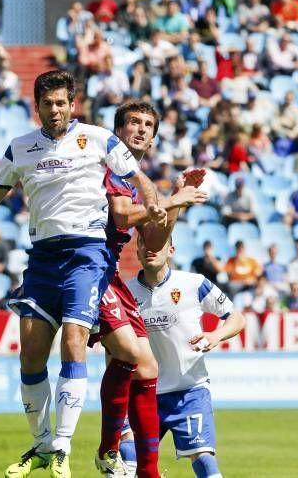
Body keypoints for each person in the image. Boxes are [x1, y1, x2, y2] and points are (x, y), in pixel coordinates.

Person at [0, 70, 163, 477]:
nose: (55, 110)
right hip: (43, 257)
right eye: (47, 104)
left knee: (74, 338)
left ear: (72, 104)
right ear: (37, 106)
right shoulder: (20, 148)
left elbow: (140, 179)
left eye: (62, 102)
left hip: (87, 253)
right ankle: (43, 444)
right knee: (30, 350)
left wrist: (153, 206)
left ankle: (64, 445)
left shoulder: (99, 138)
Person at [90, 102, 208, 477]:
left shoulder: (141, 180)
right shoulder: (108, 166)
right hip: (85, 262)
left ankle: (142, 469)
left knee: (145, 366)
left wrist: (175, 203)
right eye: (133, 123)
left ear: (155, 137)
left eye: (148, 125)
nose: (140, 129)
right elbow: (122, 215)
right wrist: (171, 202)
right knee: (125, 356)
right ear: (118, 130)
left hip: (106, 269)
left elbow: (155, 239)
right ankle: (107, 449)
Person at [123, 236, 245, 478]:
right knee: (128, 455)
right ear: (136, 252)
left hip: (189, 390)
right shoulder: (125, 292)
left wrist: (217, 335)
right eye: (144, 245)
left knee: (205, 462)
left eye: (157, 244)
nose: (150, 249)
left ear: (171, 250)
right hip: (143, 391)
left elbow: (237, 318)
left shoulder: (194, 283)